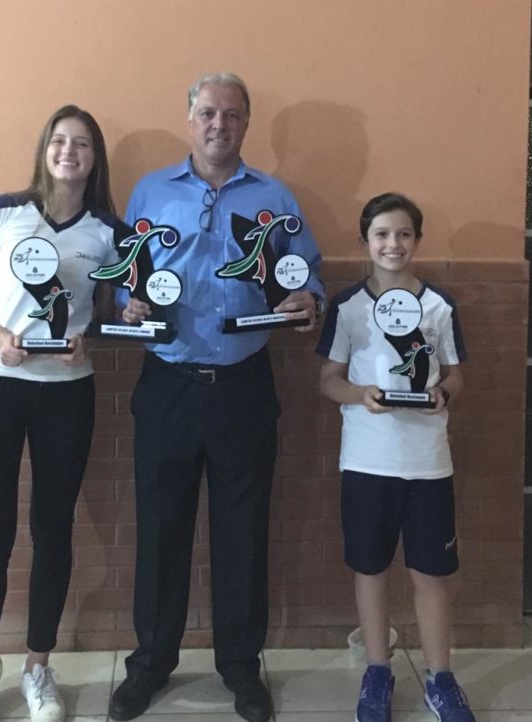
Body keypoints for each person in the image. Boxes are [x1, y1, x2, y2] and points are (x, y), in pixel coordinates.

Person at [108, 73, 325, 722]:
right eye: (208, 113)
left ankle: (240, 666)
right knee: (160, 532)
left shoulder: (274, 196)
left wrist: (305, 296)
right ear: (189, 118)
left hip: (243, 389)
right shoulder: (151, 191)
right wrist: (129, 298)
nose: (218, 125)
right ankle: (149, 664)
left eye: (232, 115)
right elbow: (127, 273)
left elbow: (304, 270)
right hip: (167, 386)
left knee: (243, 535)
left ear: (247, 124)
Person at [0, 105, 127, 722]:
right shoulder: (3, 212)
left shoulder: (107, 230)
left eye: (81, 144)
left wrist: (93, 332)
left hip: (67, 392)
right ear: (44, 149)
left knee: (54, 529)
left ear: (95, 157)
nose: (68, 151)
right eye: (59, 141)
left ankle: (39, 666)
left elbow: (111, 310)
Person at [316, 192, 474, 722]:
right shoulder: (346, 307)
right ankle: (378, 672)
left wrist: (444, 394)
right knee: (371, 568)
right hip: (366, 462)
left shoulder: (439, 306)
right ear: (365, 241)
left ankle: (440, 678)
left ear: (417, 241)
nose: (393, 244)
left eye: (404, 234)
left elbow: (455, 373)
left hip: (429, 464)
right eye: (382, 234)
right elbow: (328, 380)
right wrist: (360, 395)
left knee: (431, 572)